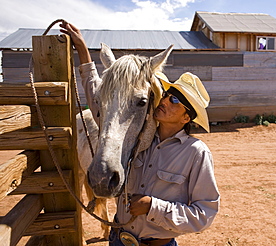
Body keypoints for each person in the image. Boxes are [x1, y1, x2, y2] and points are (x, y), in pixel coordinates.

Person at [60, 22, 220, 246]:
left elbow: (205, 214)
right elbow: (101, 98)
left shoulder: (195, 153)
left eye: (176, 101)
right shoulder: (139, 136)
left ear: (187, 118)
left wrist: (153, 207)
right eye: (168, 94)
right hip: (119, 240)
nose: (165, 100)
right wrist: (83, 50)